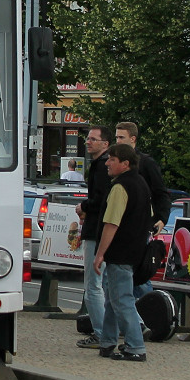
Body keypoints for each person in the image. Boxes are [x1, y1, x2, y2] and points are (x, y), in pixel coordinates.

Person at [94, 143, 153, 362]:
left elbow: (111, 223)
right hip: (135, 251)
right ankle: (108, 341)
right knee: (112, 298)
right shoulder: (142, 184)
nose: (107, 163)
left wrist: (100, 254)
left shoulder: (121, 187)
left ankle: (135, 346)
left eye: (112, 159)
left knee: (122, 300)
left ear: (125, 164)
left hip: (120, 252)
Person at [115, 121, 169, 297]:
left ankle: (148, 313)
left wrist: (161, 218)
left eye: (121, 137)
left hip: (140, 225)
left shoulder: (145, 163)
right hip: (119, 224)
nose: (118, 141)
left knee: (139, 274)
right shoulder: (114, 162)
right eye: (116, 137)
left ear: (133, 139)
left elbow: (161, 192)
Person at [75, 127, 111, 348]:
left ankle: (100, 333)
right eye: (87, 138)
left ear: (105, 144)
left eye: (94, 139)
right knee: (108, 284)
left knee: (93, 286)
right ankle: (125, 326)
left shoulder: (100, 167)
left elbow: (100, 199)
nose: (88, 142)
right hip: (100, 228)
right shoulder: (103, 166)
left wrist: (83, 206)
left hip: (96, 230)